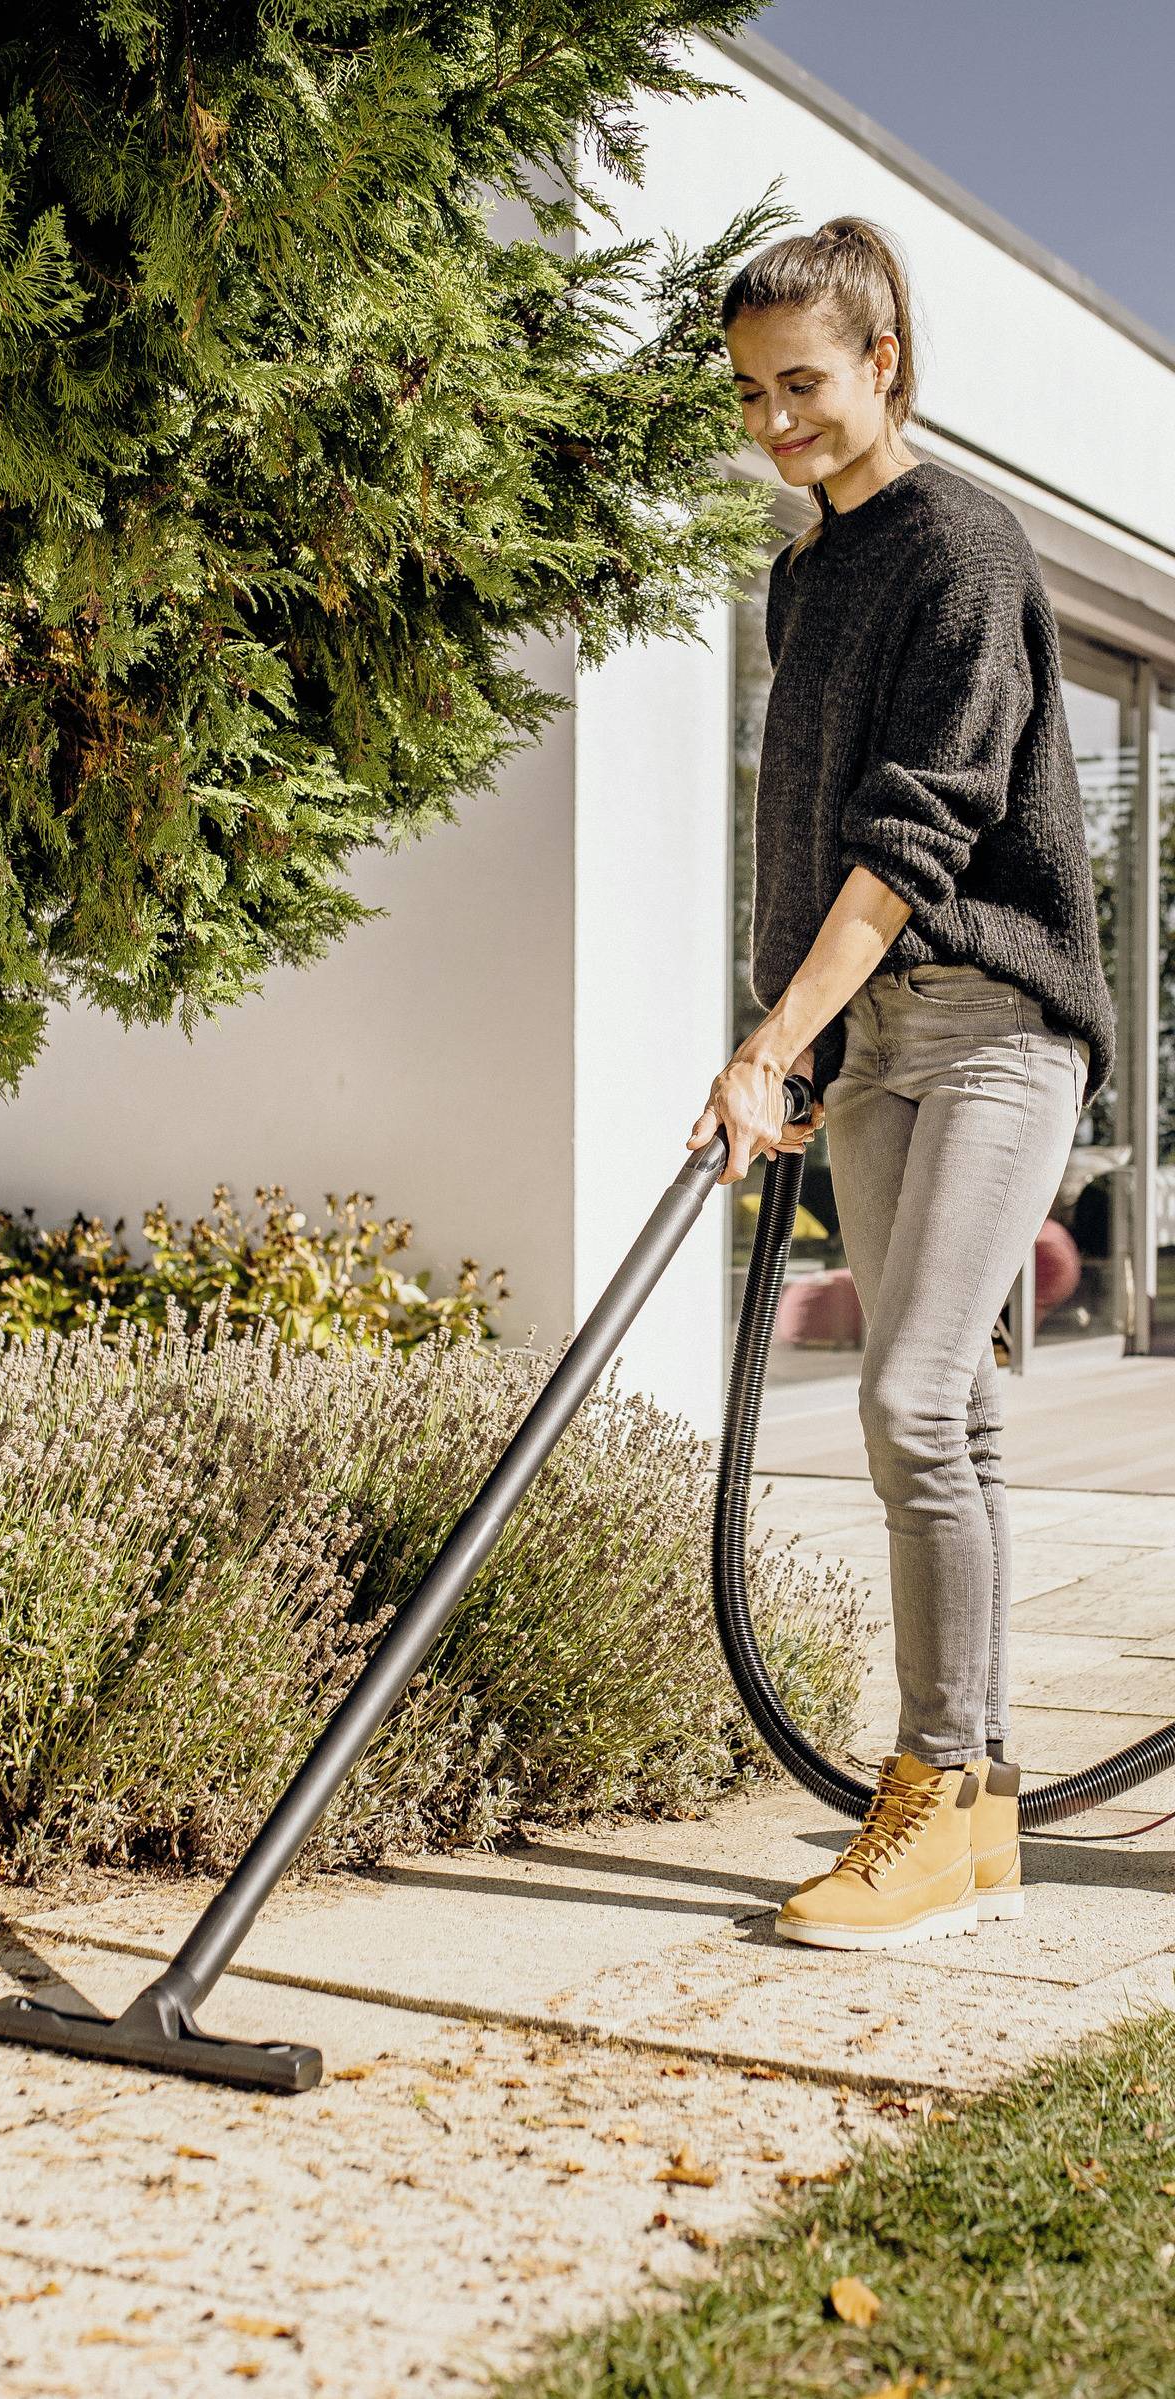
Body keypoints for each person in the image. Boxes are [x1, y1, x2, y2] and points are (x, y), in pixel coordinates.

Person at [688, 215, 1115, 1952]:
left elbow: (910, 840)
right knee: (960, 1417)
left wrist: (772, 1036)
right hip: (866, 1042)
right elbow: (799, 827)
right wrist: (787, 1034)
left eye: (804, 383)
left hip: (1000, 1028)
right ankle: (984, 1810)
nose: (777, 421)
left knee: (913, 1403)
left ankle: (931, 1789)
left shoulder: (965, 547)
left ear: (885, 362)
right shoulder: (808, 569)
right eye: (750, 394)